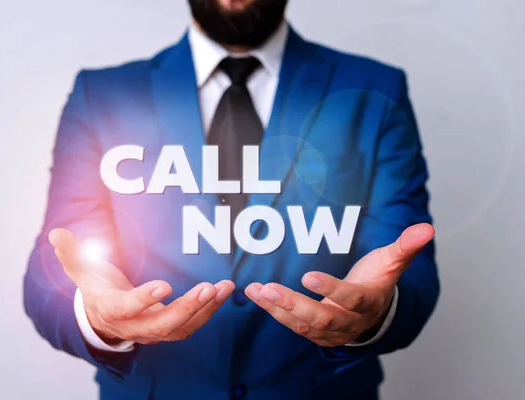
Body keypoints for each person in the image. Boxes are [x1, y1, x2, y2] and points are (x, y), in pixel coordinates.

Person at [23, 0, 440, 398]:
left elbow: (406, 264)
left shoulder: (376, 91)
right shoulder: (102, 96)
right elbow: (54, 268)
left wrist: (375, 312)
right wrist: (98, 316)